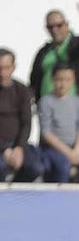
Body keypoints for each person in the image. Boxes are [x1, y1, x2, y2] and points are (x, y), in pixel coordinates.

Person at [38, 63, 79, 184]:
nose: (63, 84)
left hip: (75, 147)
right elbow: (46, 133)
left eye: (67, 80)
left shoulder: (77, 101)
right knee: (62, 167)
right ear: (52, 80)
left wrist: (77, 149)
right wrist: (68, 152)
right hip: (53, 149)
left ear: (73, 81)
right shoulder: (46, 101)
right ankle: (60, 199)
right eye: (59, 80)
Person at [30, 5, 79, 104]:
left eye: (59, 25)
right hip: (47, 105)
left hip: (73, 104)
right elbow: (34, 79)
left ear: (66, 24)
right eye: (50, 27)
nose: (55, 30)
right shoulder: (43, 52)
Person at [0, 48, 43, 183]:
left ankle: (15, 195)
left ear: (13, 67)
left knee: (35, 168)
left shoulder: (22, 90)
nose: (2, 73)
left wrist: (19, 148)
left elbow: (26, 122)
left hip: (17, 143)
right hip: (2, 145)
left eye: (6, 68)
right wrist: (5, 150)